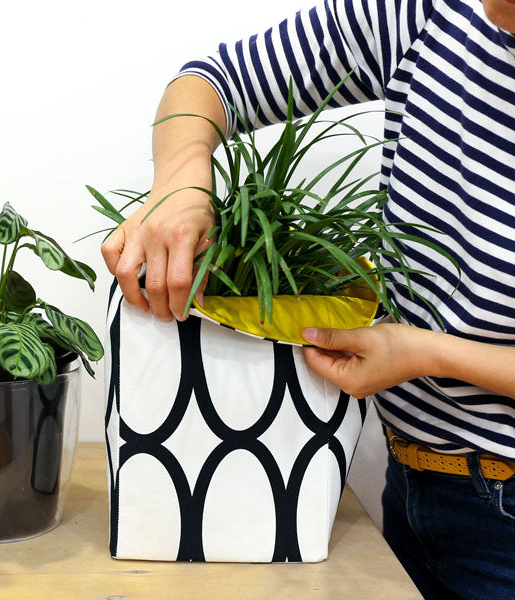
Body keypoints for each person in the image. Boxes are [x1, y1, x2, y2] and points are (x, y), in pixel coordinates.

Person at [100, 0, 515, 597]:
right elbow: (212, 81)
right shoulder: (428, 14)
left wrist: (427, 355)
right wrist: (183, 181)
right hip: (409, 484)